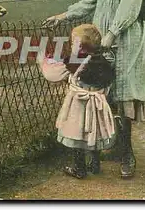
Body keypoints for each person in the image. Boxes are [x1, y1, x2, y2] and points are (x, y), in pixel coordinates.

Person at [42, 0, 145, 178]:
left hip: (125, 41)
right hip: (102, 42)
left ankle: (127, 155)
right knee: (96, 95)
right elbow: (90, 0)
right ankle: (96, 154)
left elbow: (130, 6)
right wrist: (65, 16)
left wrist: (112, 34)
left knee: (122, 96)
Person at [39, 24, 116, 179]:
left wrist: (44, 61)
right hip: (98, 105)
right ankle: (95, 163)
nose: (71, 44)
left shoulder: (75, 61)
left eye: (73, 42)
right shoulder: (105, 62)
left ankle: (79, 168)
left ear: (81, 47)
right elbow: (108, 82)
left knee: (77, 134)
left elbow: (54, 74)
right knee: (95, 132)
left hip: (79, 105)